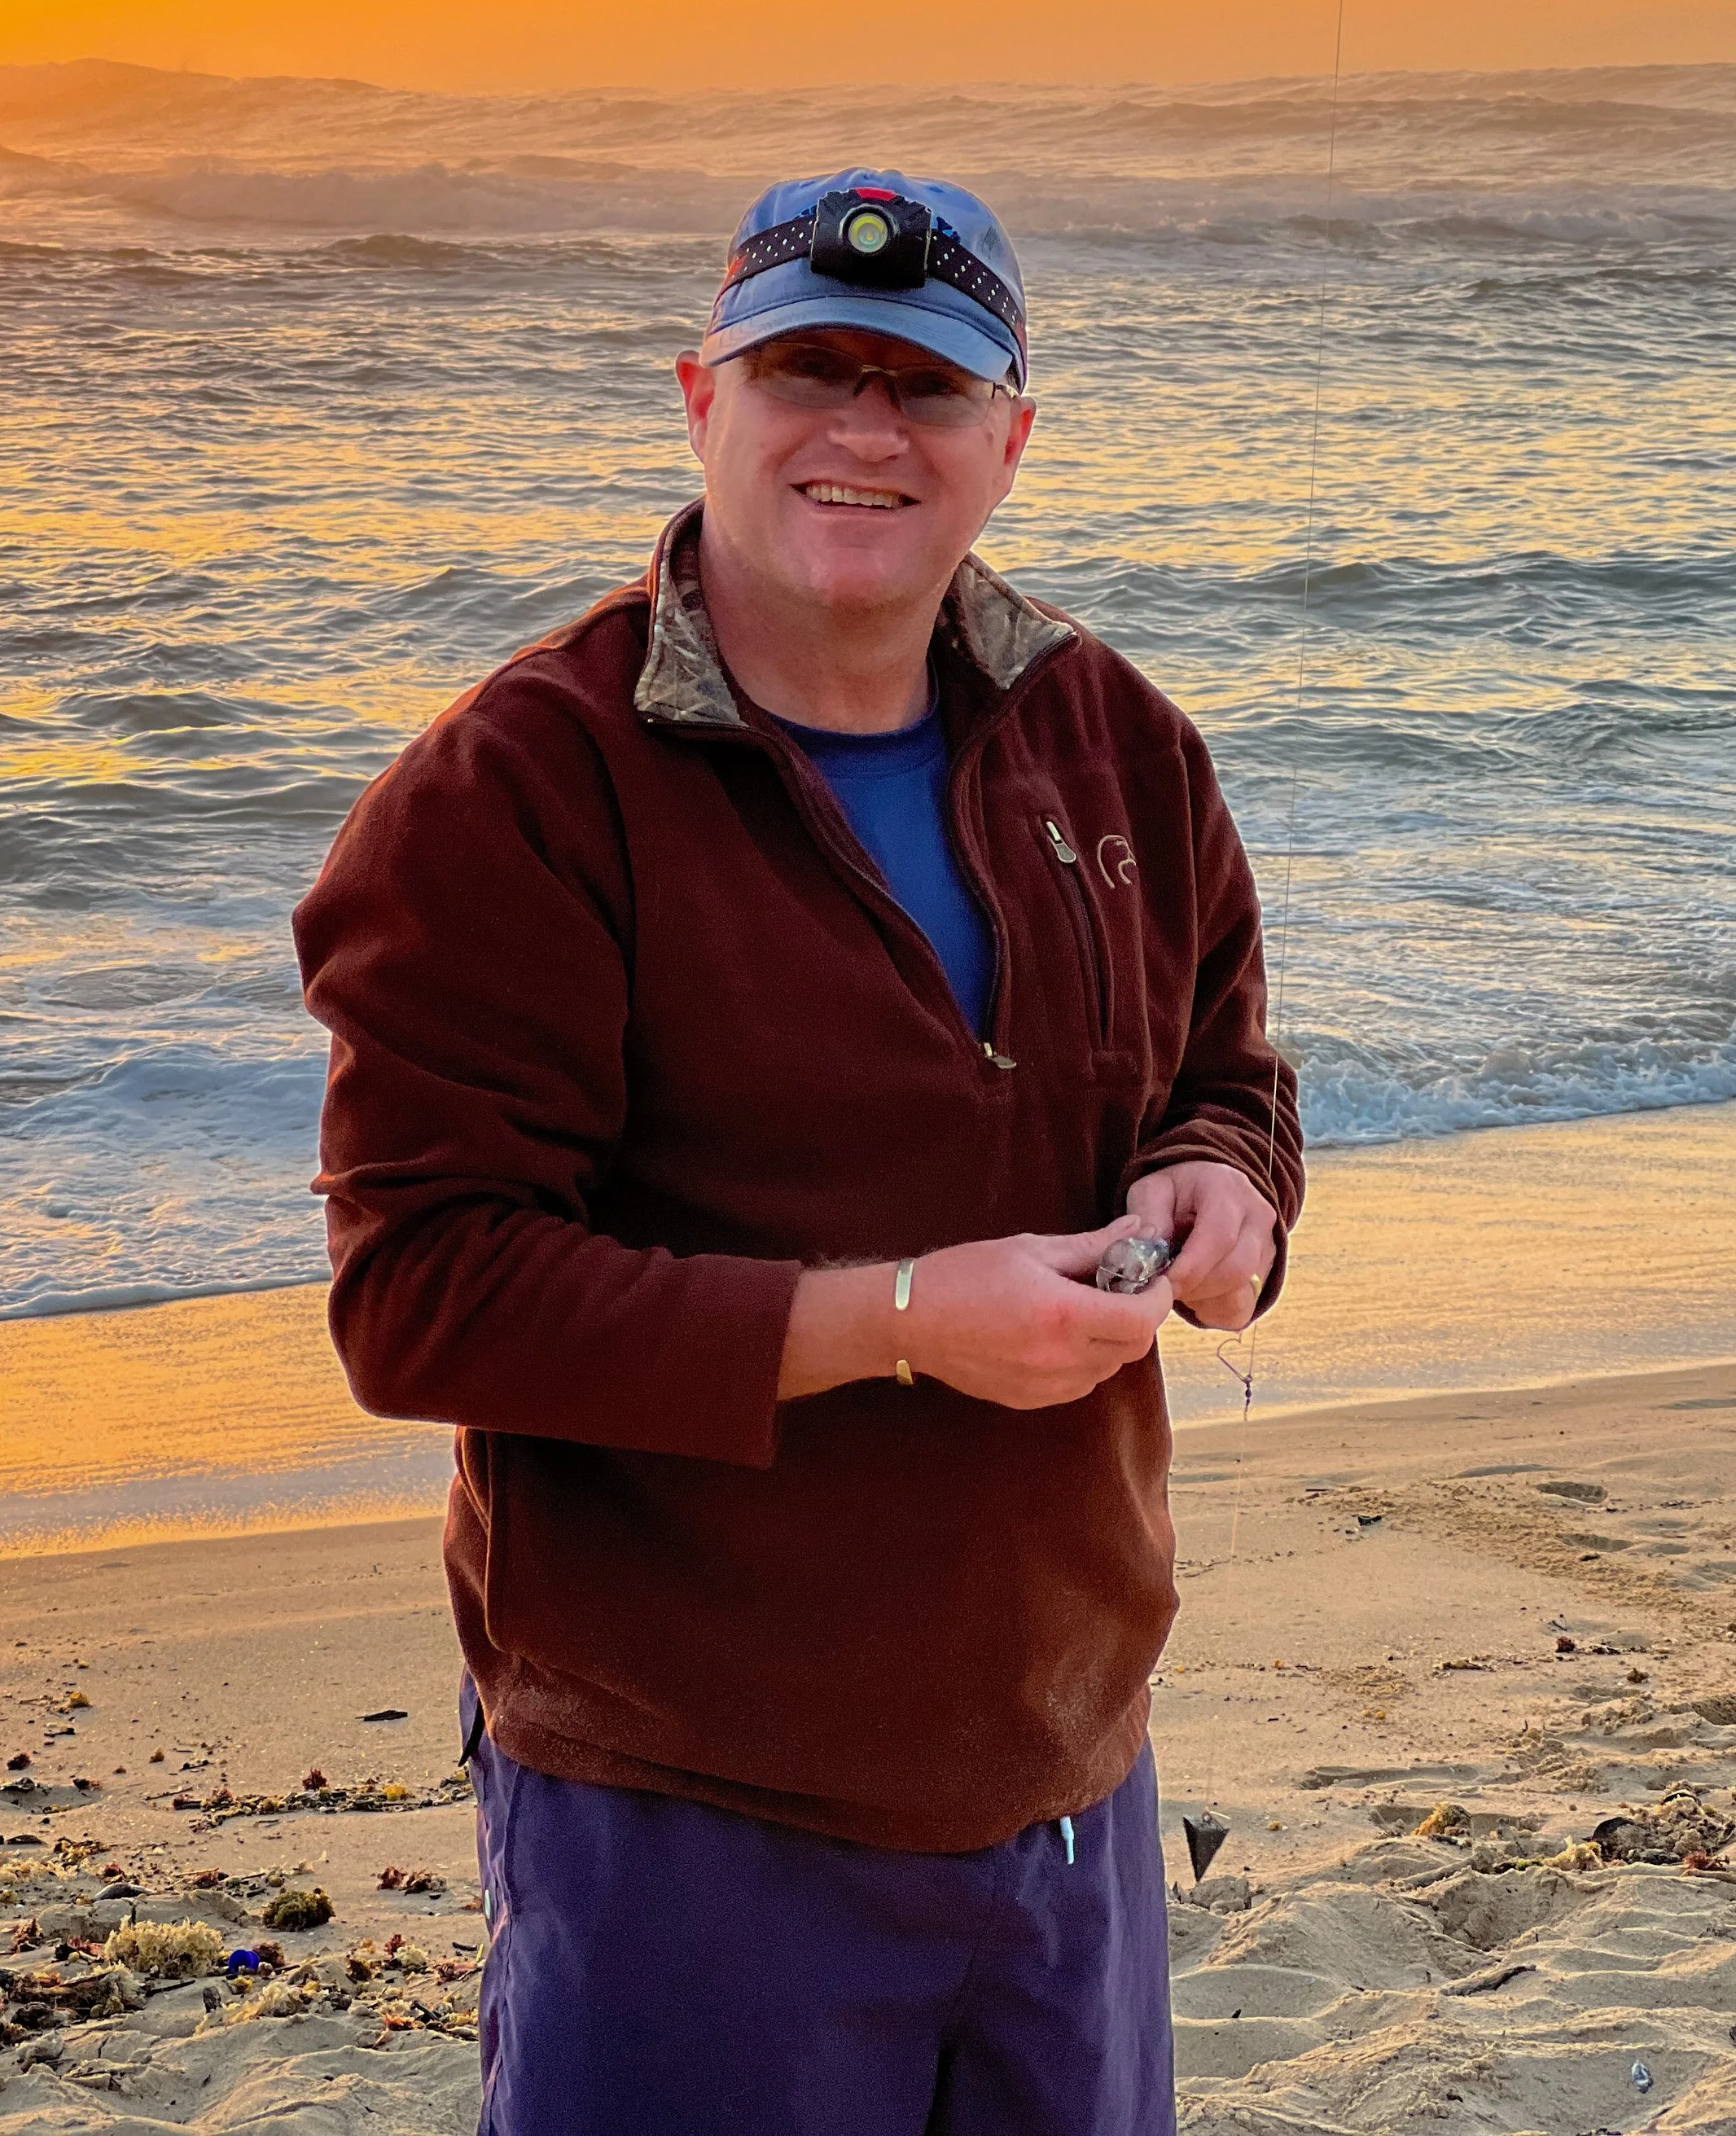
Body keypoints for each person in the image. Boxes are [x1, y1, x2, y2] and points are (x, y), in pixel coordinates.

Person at [293, 169, 1304, 2136]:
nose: (863, 428)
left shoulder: (1113, 741)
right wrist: (902, 1319)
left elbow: (1225, 1068)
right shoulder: (515, 789)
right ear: (700, 399)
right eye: (805, 372)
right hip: (690, 1796)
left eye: (922, 386)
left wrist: (1227, 1183)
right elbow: (419, 1297)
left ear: (1006, 438)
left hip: (1067, 1757)